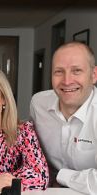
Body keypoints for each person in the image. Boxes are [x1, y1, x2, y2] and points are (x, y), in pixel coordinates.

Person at [30, 41, 97, 194]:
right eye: (59, 72)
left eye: (77, 71)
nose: (67, 81)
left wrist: (59, 176)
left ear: (93, 75)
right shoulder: (38, 103)